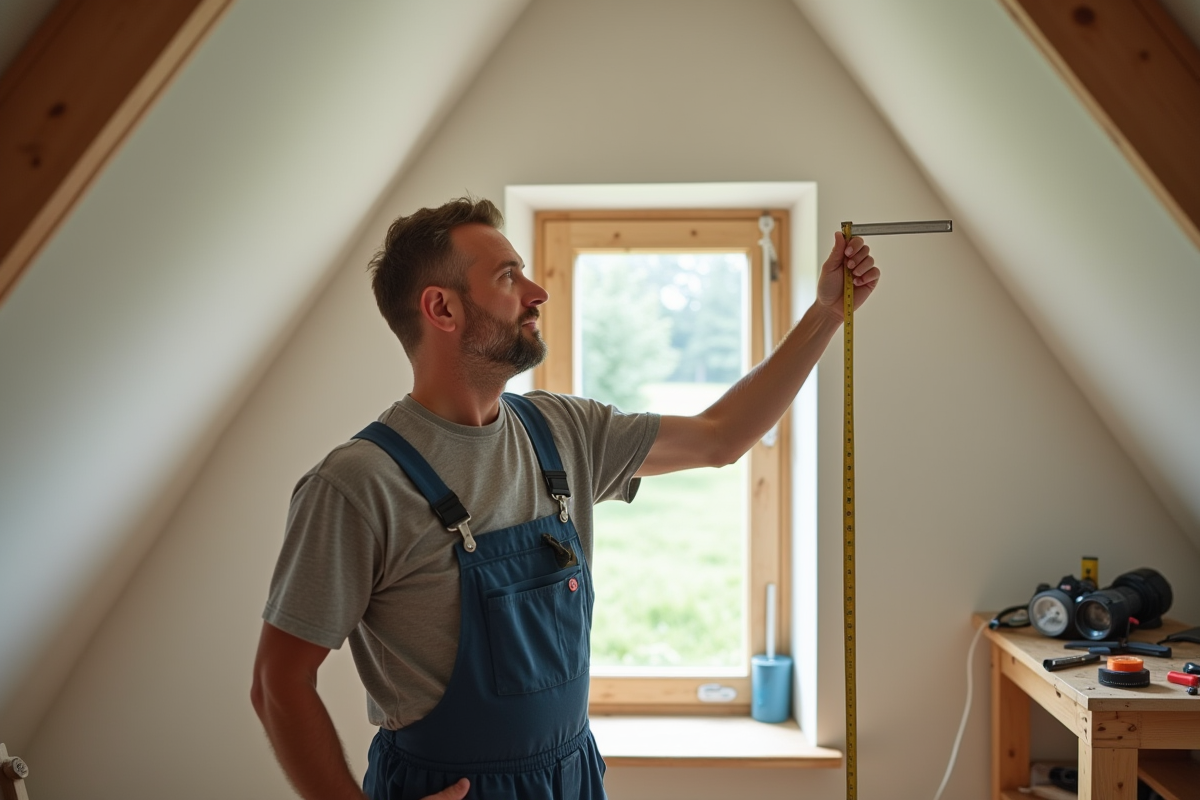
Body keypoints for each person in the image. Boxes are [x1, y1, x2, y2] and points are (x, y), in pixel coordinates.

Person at [251, 197, 878, 800]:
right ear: (442, 309)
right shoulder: (359, 485)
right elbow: (278, 681)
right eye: (506, 277)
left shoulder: (563, 432)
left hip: (572, 777)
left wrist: (826, 312)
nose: (536, 292)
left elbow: (722, 438)